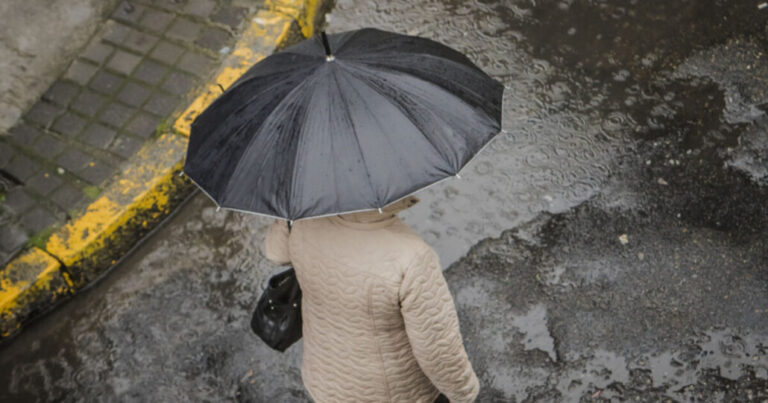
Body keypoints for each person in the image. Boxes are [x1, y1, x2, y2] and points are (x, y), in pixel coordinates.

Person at [263, 196, 480, 403]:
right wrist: (463, 394)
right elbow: (438, 351)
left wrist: (290, 211)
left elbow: (275, 252)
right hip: (393, 394)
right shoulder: (412, 257)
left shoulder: (303, 218)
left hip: (324, 379)